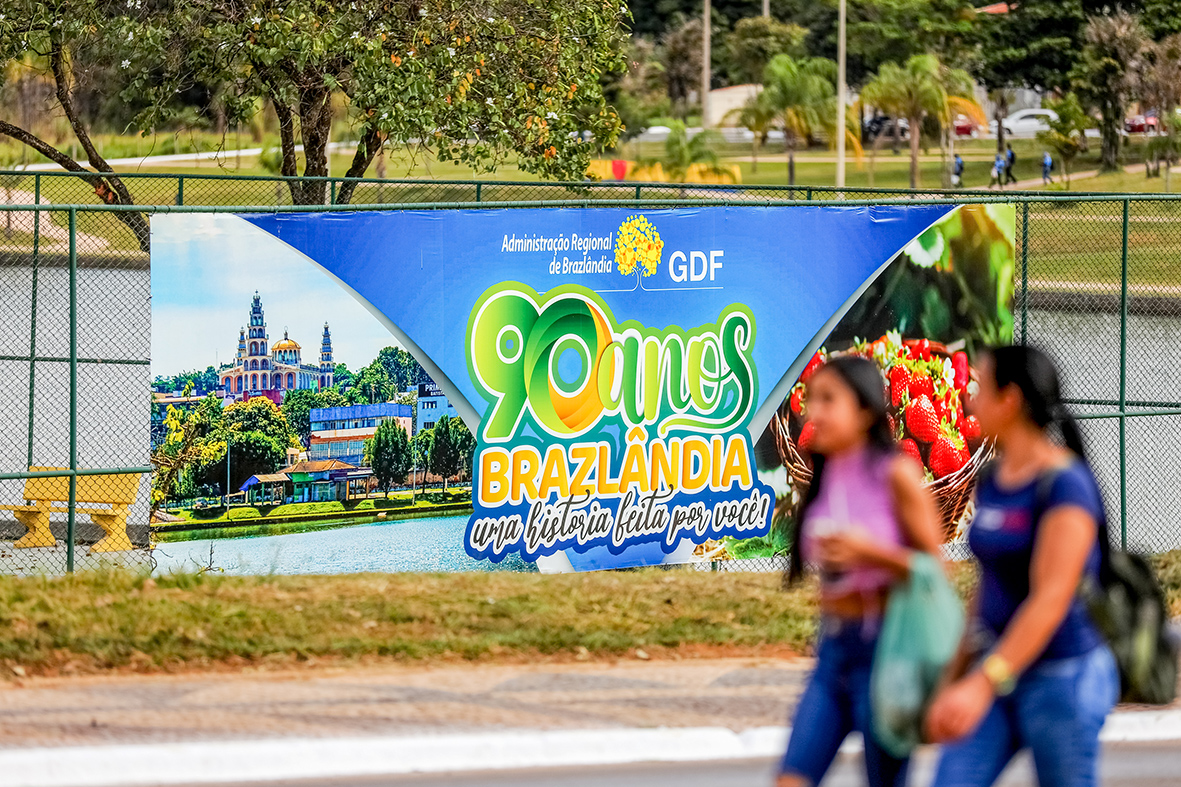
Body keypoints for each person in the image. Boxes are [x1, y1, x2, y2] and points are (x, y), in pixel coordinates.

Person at [925, 345, 1117, 787]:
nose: (970, 400)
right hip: (997, 670)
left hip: (1061, 679)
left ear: (1009, 400)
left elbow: (1051, 598)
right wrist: (951, 681)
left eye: (981, 389)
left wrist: (981, 684)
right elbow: (986, 588)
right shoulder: (992, 478)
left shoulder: (1066, 486)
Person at [777, 356, 943, 787]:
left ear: (866, 410)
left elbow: (933, 571)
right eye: (813, 399)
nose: (815, 412)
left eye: (829, 400)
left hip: (886, 654)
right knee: (791, 779)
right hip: (833, 651)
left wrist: (871, 554)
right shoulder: (824, 471)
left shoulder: (897, 476)